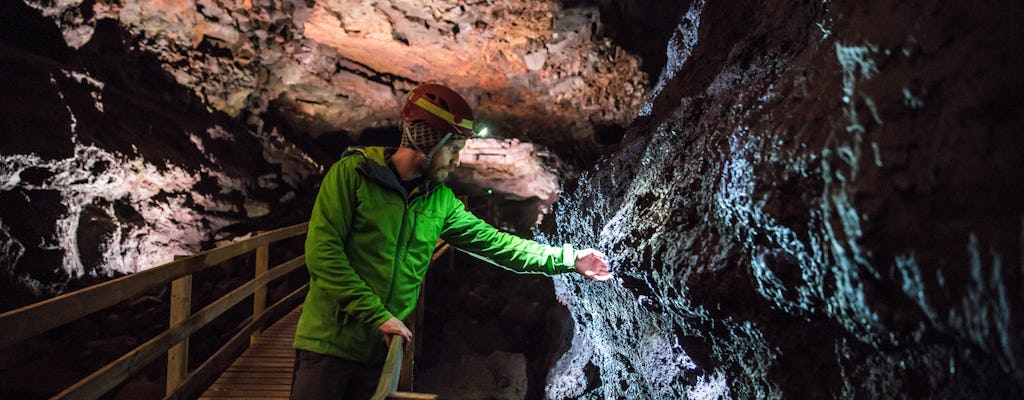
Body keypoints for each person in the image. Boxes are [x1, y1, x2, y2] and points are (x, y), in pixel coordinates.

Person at [290, 83, 612, 399]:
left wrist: (569, 259)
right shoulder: (353, 175)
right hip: (329, 346)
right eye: (453, 148)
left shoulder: (440, 201)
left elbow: (497, 245)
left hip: (384, 349)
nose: (457, 161)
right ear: (427, 140)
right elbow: (323, 255)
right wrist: (377, 315)